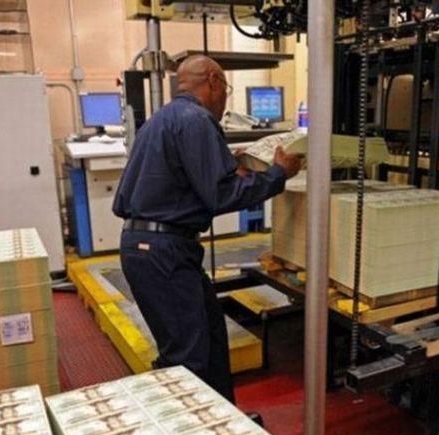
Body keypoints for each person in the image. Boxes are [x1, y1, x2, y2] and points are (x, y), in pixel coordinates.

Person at [113, 54, 303, 403]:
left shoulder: (162, 119)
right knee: (188, 357)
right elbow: (221, 194)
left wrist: (230, 163)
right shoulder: (197, 120)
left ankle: (223, 419)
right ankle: (189, 428)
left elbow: (185, 178)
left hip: (152, 247)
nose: (225, 100)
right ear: (214, 80)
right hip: (163, 252)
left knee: (211, 336)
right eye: (226, 90)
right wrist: (279, 174)